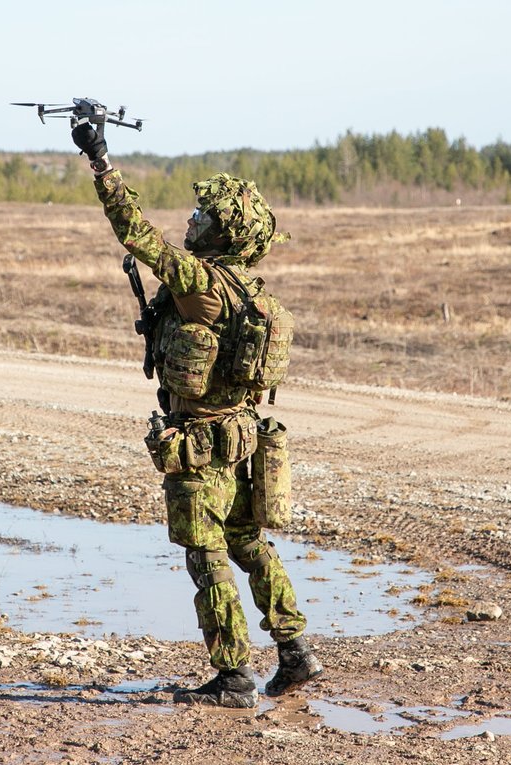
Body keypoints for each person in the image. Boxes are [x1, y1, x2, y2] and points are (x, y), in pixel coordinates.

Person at [71, 123, 323, 708]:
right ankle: (295, 653)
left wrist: (101, 163)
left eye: (202, 217)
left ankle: (233, 678)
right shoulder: (244, 289)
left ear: (224, 230)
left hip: (199, 443)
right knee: (248, 542)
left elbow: (138, 236)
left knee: (206, 554)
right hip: (239, 437)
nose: (191, 222)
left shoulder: (201, 284)